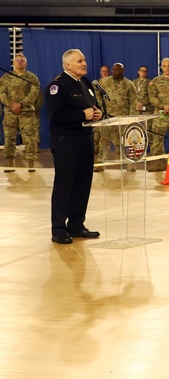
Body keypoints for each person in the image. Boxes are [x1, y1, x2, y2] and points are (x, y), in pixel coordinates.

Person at [46, 49, 102, 244]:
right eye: (79, 61)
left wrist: (97, 113)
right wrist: (82, 115)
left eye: (84, 60)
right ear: (68, 65)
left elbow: (91, 106)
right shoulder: (57, 86)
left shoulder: (85, 83)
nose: (84, 63)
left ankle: (77, 225)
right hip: (66, 142)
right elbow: (56, 116)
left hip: (85, 139)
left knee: (82, 184)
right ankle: (59, 229)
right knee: (65, 185)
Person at [0, 52, 41, 172]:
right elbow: (2, 93)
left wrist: (21, 104)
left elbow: (34, 93)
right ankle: (10, 163)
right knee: (9, 138)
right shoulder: (6, 77)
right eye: (17, 60)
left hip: (27, 112)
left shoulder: (32, 77)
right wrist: (10, 104)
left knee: (30, 138)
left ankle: (31, 164)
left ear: (26, 63)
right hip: (10, 112)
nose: (19, 62)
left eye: (22, 60)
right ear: (13, 63)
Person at [95, 63, 137, 165]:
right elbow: (96, 93)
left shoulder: (129, 84)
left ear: (122, 71)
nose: (115, 72)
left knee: (127, 141)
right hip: (107, 117)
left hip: (123, 118)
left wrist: (131, 118)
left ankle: (130, 164)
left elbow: (133, 102)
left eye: (118, 70)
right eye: (114, 70)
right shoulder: (104, 82)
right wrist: (101, 106)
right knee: (104, 140)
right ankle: (101, 162)